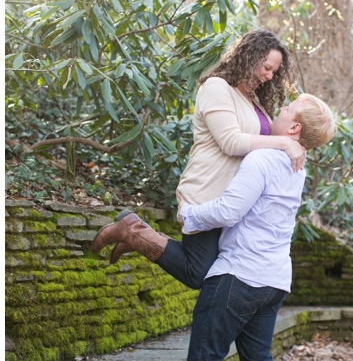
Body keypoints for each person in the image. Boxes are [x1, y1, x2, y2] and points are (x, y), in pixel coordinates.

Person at [150, 93, 337, 361]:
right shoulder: (295, 164)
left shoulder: (265, 158)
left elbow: (229, 211)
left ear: (295, 127)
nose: (278, 111)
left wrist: (188, 214)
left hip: (238, 277)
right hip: (273, 283)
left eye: (286, 109)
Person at [92, 29, 308, 289]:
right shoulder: (216, 88)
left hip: (232, 200)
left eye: (274, 71)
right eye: (266, 67)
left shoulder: (252, 99)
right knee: (198, 274)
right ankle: (132, 231)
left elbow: (265, 142)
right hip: (208, 191)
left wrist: (296, 143)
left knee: (208, 270)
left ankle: (137, 237)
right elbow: (231, 142)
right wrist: (285, 142)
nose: (269, 76)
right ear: (248, 58)